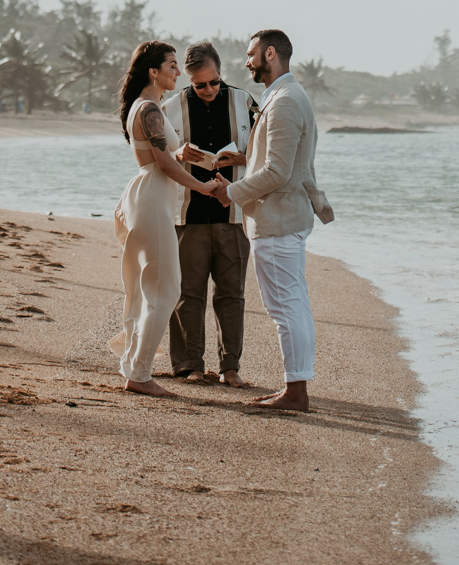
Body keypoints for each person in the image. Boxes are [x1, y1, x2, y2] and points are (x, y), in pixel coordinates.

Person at [212, 28, 334, 413]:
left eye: (250, 55)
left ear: (269, 54)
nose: (246, 62)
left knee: (285, 309)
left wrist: (229, 193)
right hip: (285, 217)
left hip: (278, 219)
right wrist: (243, 159)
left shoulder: (283, 101)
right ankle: (296, 387)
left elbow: (279, 173)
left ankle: (295, 392)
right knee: (294, 305)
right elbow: (283, 161)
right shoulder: (286, 96)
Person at [114, 41, 224, 398]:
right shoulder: (149, 109)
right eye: (173, 65)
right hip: (151, 199)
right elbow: (163, 164)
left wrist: (181, 154)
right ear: (154, 72)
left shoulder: (147, 107)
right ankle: (140, 373)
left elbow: (163, 155)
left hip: (152, 197)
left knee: (154, 288)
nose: (179, 72)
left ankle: (135, 366)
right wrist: (205, 188)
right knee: (166, 290)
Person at [162, 41, 259, 387]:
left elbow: (267, 153)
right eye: (199, 84)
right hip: (186, 215)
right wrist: (178, 155)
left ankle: (230, 367)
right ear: (188, 79)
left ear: (221, 74)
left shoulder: (245, 102)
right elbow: (155, 159)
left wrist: (242, 159)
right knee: (188, 293)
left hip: (233, 214)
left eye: (214, 82)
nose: (208, 90)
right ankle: (190, 365)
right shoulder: (170, 107)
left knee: (231, 294)